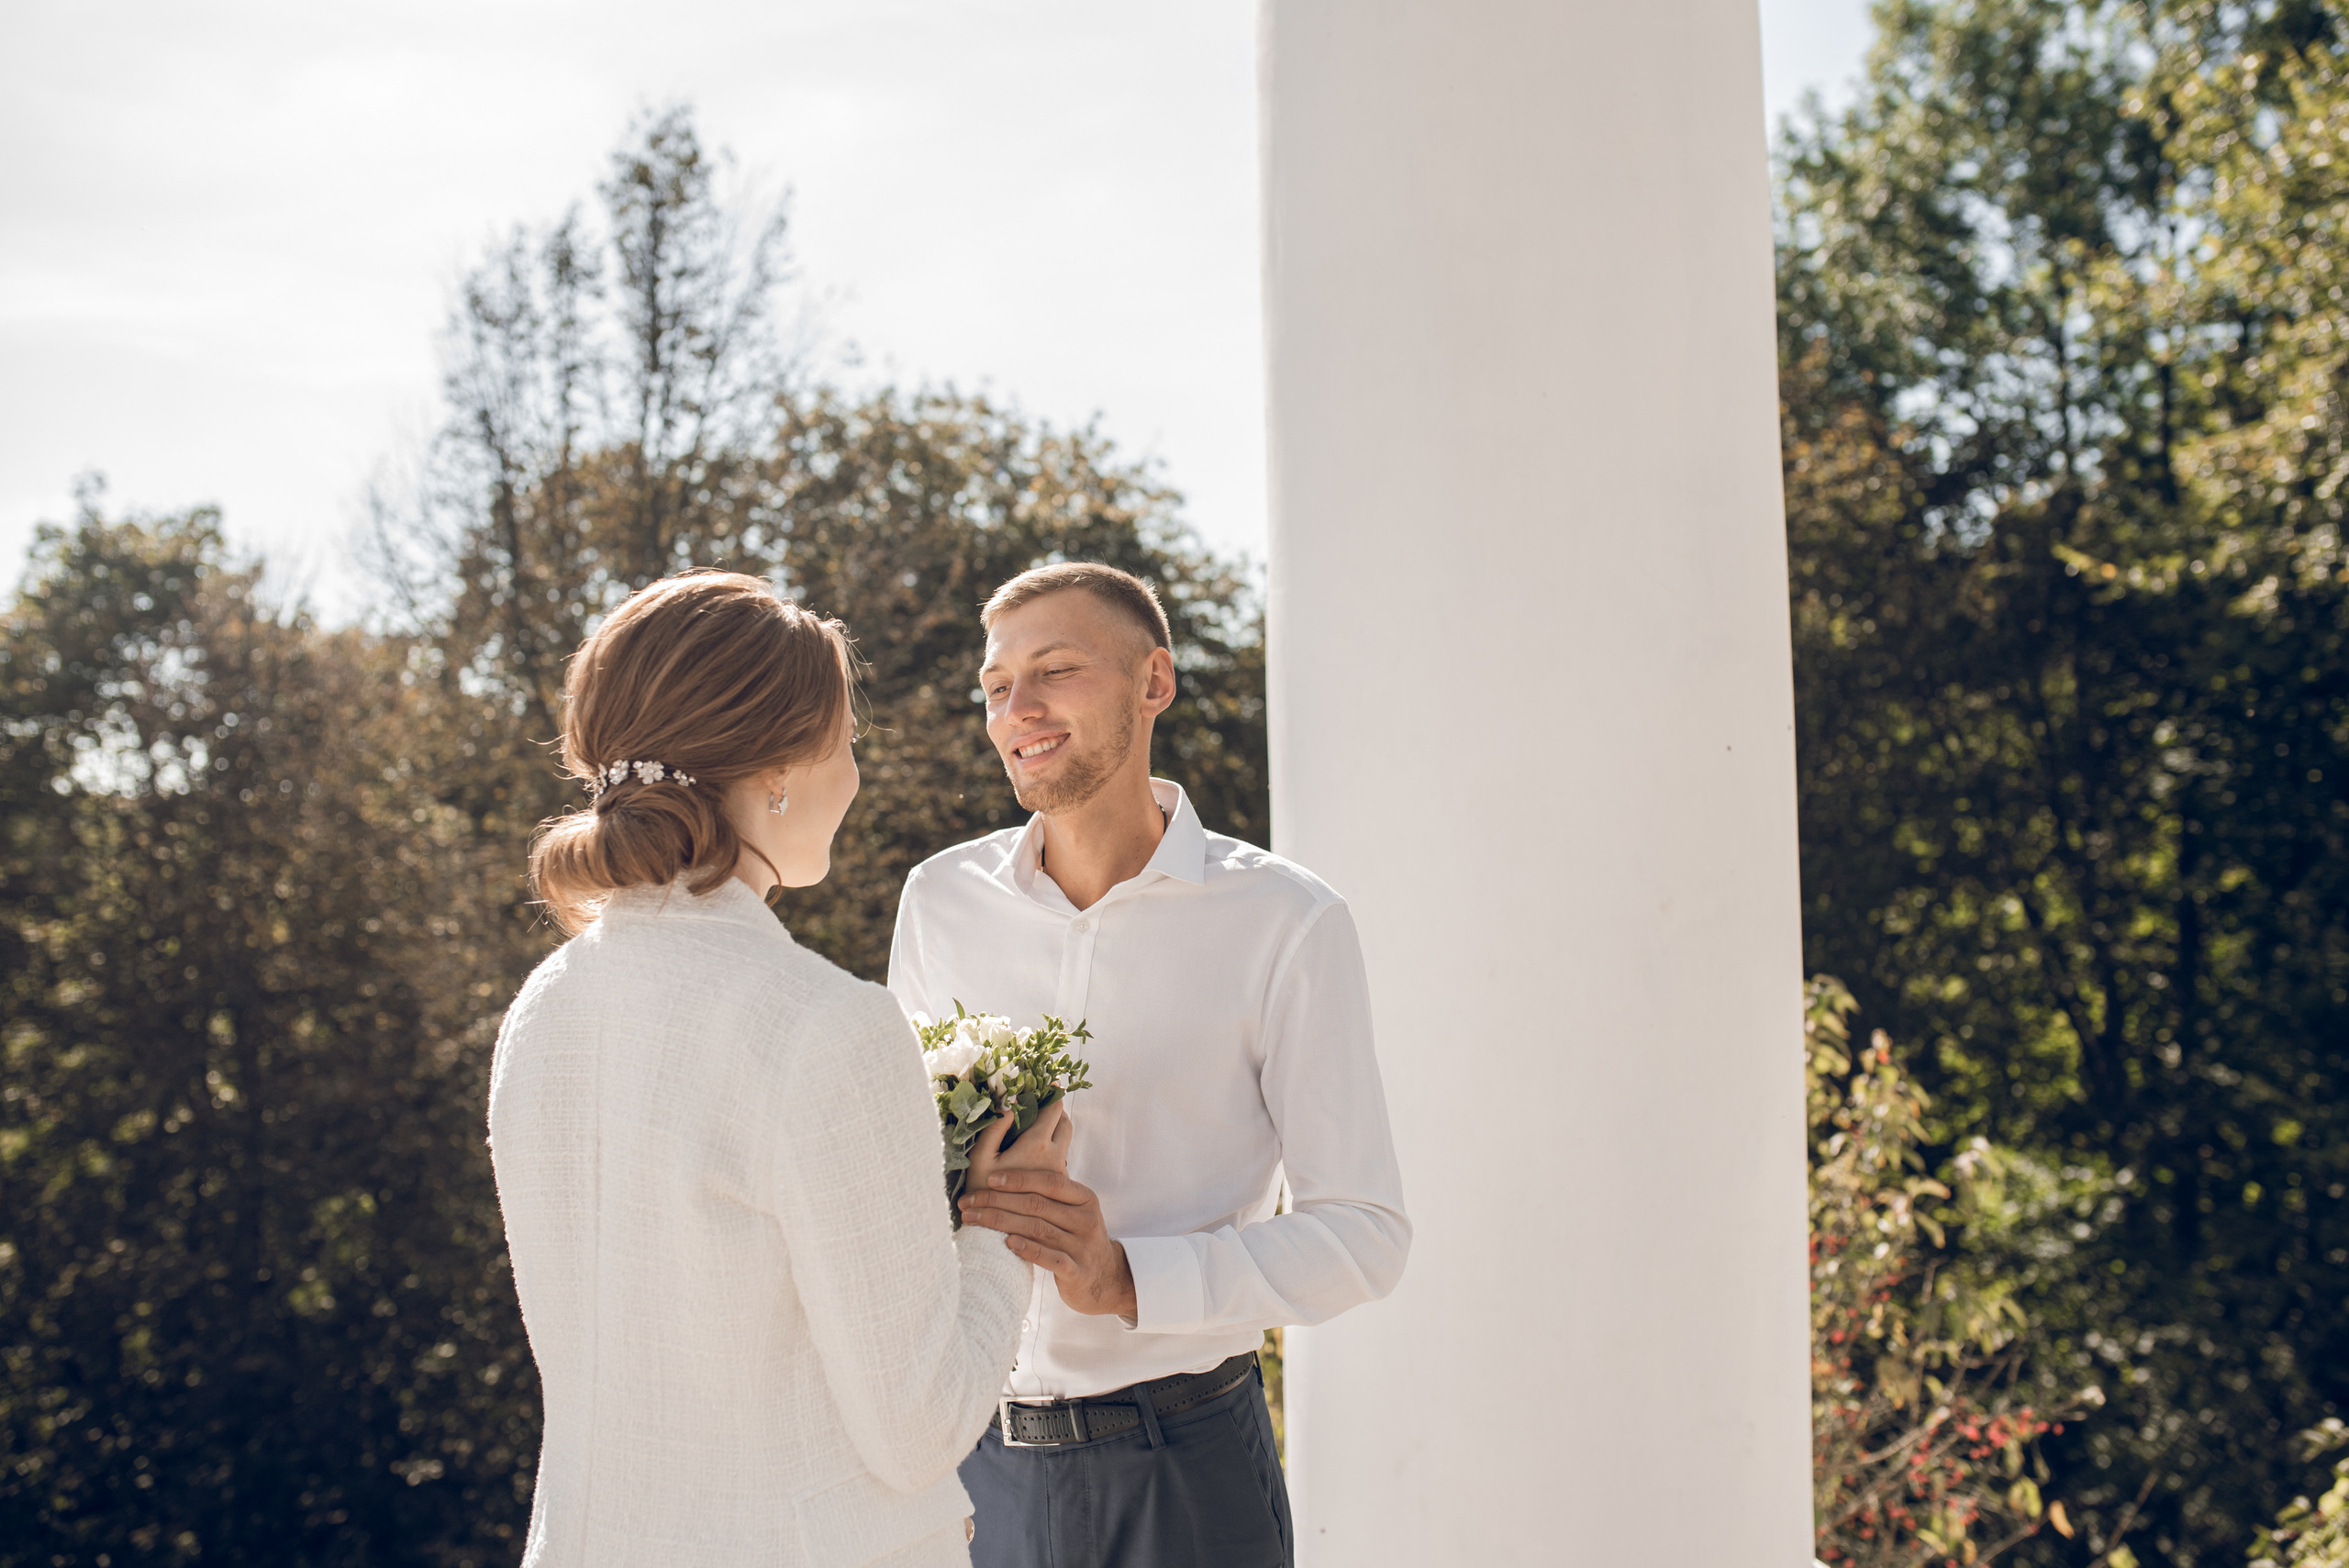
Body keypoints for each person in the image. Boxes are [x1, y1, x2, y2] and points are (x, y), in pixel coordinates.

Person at [487, 571, 1066, 1567]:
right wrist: (1000, 1221)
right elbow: (919, 1423)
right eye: (848, 740)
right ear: (778, 771)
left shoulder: (541, 1009)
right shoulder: (824, 1025)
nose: (854, 773)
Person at [887, 562, 1411, 1568]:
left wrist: (1130, 1277)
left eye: (1056, 670)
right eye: (998, 687)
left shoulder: (1286, 922)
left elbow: (1365, 1232)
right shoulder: (940, 898)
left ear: (1153, 682)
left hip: (1184, 1468)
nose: (1018, 710)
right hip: (967, 1467)